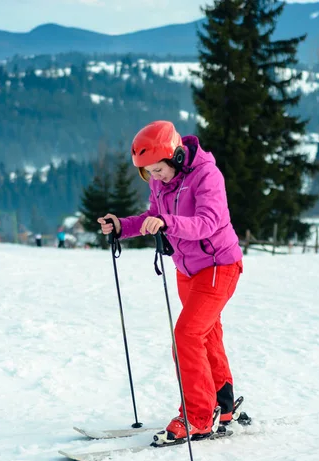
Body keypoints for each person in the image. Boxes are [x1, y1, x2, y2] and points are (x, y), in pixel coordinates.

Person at [98, 120, 243, 444]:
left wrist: (167, 222)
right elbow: (154, 216)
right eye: (148, 172)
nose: (154, 178)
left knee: (187, 335)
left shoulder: (207, 176)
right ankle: (223, 403)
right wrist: (123, 226)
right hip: (186, 269)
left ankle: (198, 417)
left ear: (176, 157)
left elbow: (208, 222)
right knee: (205, 335)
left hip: (219, 264)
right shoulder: (160, 182)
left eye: (158, 170)